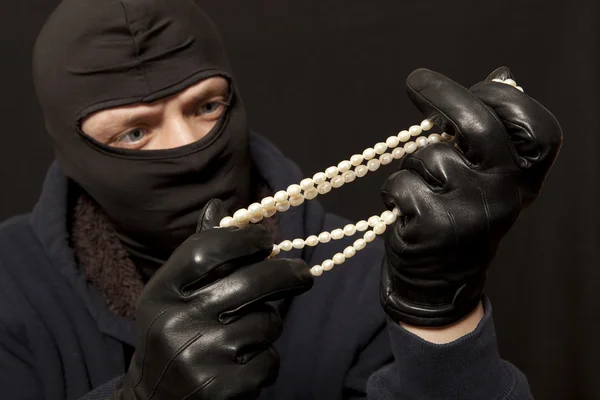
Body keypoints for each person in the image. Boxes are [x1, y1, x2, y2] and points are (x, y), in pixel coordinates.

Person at [0, 0, 562, 398]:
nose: (190, 147)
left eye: (206, 106)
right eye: (133, 132)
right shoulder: (9, 286)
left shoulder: (367, 272)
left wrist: (442, 321)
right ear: (69, 147)